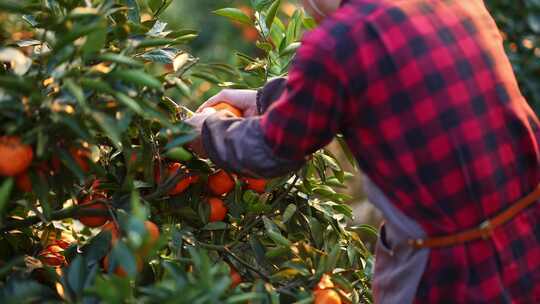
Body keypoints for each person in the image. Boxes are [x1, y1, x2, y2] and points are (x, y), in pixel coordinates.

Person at [186, 0, 540, 302]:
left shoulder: (339, 42)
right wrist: (267, 100)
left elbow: (270, 150)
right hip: (528, 233)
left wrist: (203, 132)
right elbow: (384, 79)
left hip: (455, 272)